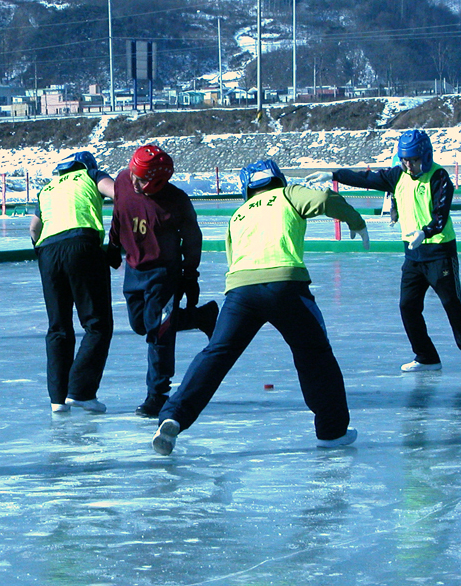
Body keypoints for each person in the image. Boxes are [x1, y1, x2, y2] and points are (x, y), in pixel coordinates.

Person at [151, 159, 368, 455]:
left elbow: (233, 255)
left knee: (215, 355)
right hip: (286, 286)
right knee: (315, 356)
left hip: (240, 291)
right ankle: (332, 431)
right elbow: (323, 198)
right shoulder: (288, 194)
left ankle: (174, 415)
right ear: (276, 179)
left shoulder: (238, 214)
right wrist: (356, 220)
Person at [307, 129, 461, 374]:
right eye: (404, 160)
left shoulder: (439, 177)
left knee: (451, 302)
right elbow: (366, 179)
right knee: (408, 306)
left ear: (425, 157)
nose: (408, 165)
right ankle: (426, 357)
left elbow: (441, 215)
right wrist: (334, 174)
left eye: (413, 160)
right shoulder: (397, 175)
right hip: (412, 255)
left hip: (439, 251)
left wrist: (425, 232)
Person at [108, 144, 219, 418]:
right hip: (134, 269)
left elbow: (193, 240)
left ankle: (157, 394)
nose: (134, 180)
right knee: (141, 325)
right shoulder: (124, 180)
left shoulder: (176, 201)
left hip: (164, 274)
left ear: (158, 180)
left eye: (141, 178)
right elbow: (118, 214)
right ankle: (202, 318)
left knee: (158, 333)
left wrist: (190, 276)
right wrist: (112, 245)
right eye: (133, 173)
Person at [29, 151, 116, 414]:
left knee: (58, 327)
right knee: (97, 323)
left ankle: (57, 399)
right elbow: (117, 193)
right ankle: (81, 391)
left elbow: (33, 229)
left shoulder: (47, 189)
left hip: (48, 251)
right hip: (81, 245)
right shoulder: (90, 175)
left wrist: (46, 256)